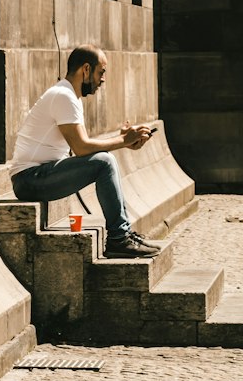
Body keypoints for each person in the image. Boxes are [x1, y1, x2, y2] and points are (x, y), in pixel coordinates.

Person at [9, 45, 161, 258]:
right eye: (102, 72)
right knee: (104, 162)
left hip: (37, 176)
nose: (103, 79)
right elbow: (82, 148)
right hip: (29, 179)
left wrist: (124, 141)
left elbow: (82, 147)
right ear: (86, 69)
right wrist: (122, 140)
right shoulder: (63, 95)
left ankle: (122, 234)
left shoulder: (68, 95)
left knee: (105, 160)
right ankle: (119, 238)